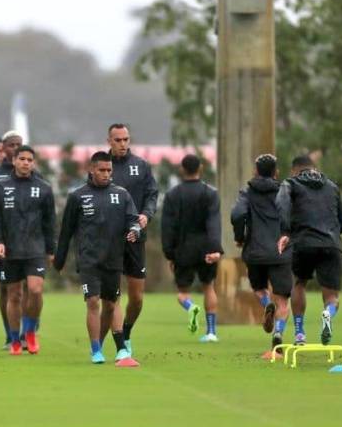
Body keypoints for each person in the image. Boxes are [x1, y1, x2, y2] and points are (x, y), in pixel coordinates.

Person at [54, 151, 142, 366]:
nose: (106, 174)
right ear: (91, 169)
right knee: (93, 301)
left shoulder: (121, 194)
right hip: (88, 260)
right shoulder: (78, 196)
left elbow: (133, 220)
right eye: (101, 170)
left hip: (114, 258)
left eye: (109, 170)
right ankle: (97, 351)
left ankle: (106, 346)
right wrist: (60, 259)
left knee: (110, 305)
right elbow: (66, 231)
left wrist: (134, 231)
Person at [0, 145, 56, 355]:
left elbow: (50, 222)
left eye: (29, 160)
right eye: (22, 159)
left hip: (35, 249)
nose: (26, 162)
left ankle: (30, 332)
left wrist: (51, 250)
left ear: (33, 163)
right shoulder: (1, 187)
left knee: (35, 290)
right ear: (14, 160)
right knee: (14, 295)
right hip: (10, 250)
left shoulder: (44, 188)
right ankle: (15, 339)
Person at [276, 155, 342, 346]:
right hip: (331, 244)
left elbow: (281, 204)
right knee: (332, 297)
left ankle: (299, 333)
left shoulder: (290, 183)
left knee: (299, 283)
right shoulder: (332, 186)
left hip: (303, 242)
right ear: (314, 168)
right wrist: (333, 236)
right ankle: (328, 313)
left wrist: (285, 231)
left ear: (294, 170)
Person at [231, 154, 292, 354]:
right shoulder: (285, 191)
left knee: (259, 289)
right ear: (276, 172)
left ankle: (266, 304)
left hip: (255, 252)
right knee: (282, 300)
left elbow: (237, 214)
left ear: (256, 171)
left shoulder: (247, 192)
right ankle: (278, 333)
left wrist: (240, 237)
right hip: (281, 252)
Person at [106, 123, 159, 354]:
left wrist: (146, 214)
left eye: (126, 139)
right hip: (109, 240)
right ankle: (120, 345)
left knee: (137, 298)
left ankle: (126, 332)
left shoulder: (141, 165)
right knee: (113, 295)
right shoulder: (101, 166)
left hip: (135, 237)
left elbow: (152, 194)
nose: (122, 144)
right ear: (109, 141)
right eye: (118, 140)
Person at [160, 154, 223, 342]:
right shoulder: (210, 193)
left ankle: (190, 306)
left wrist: (169, 253)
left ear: (182, 170)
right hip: (206, 248)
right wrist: (216, 249)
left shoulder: (172, 195)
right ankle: (211, 332)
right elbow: (214, 223)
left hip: (183, 248)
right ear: (200, 168)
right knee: (209, 287)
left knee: (182, 293)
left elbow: (168, 227)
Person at [0, 131, 24, 349]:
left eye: (19, 144)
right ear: (4, 148)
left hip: (27, 241)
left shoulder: (33, 173)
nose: (16, 148)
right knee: (6, 288)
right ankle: (11, 335)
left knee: (29, 288)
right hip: (3, 242)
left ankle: (27, 331)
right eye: (12, 145)